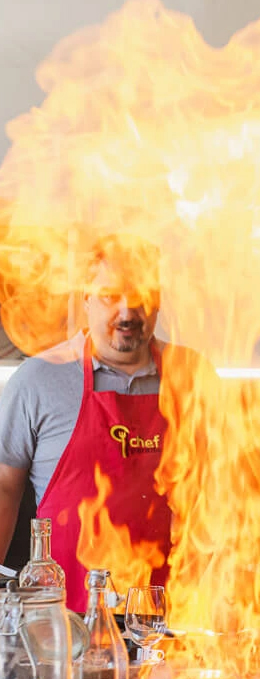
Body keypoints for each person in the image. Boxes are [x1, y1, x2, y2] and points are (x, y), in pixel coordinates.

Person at [0, 233, 179, 612]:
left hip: (170, 619)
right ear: (85, 298)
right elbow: (3, 489)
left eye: (143, 296)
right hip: (62, 622)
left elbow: (222, 496)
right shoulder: (38, 380)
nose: (128, 312)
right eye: (110, 296)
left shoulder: (191, 378)